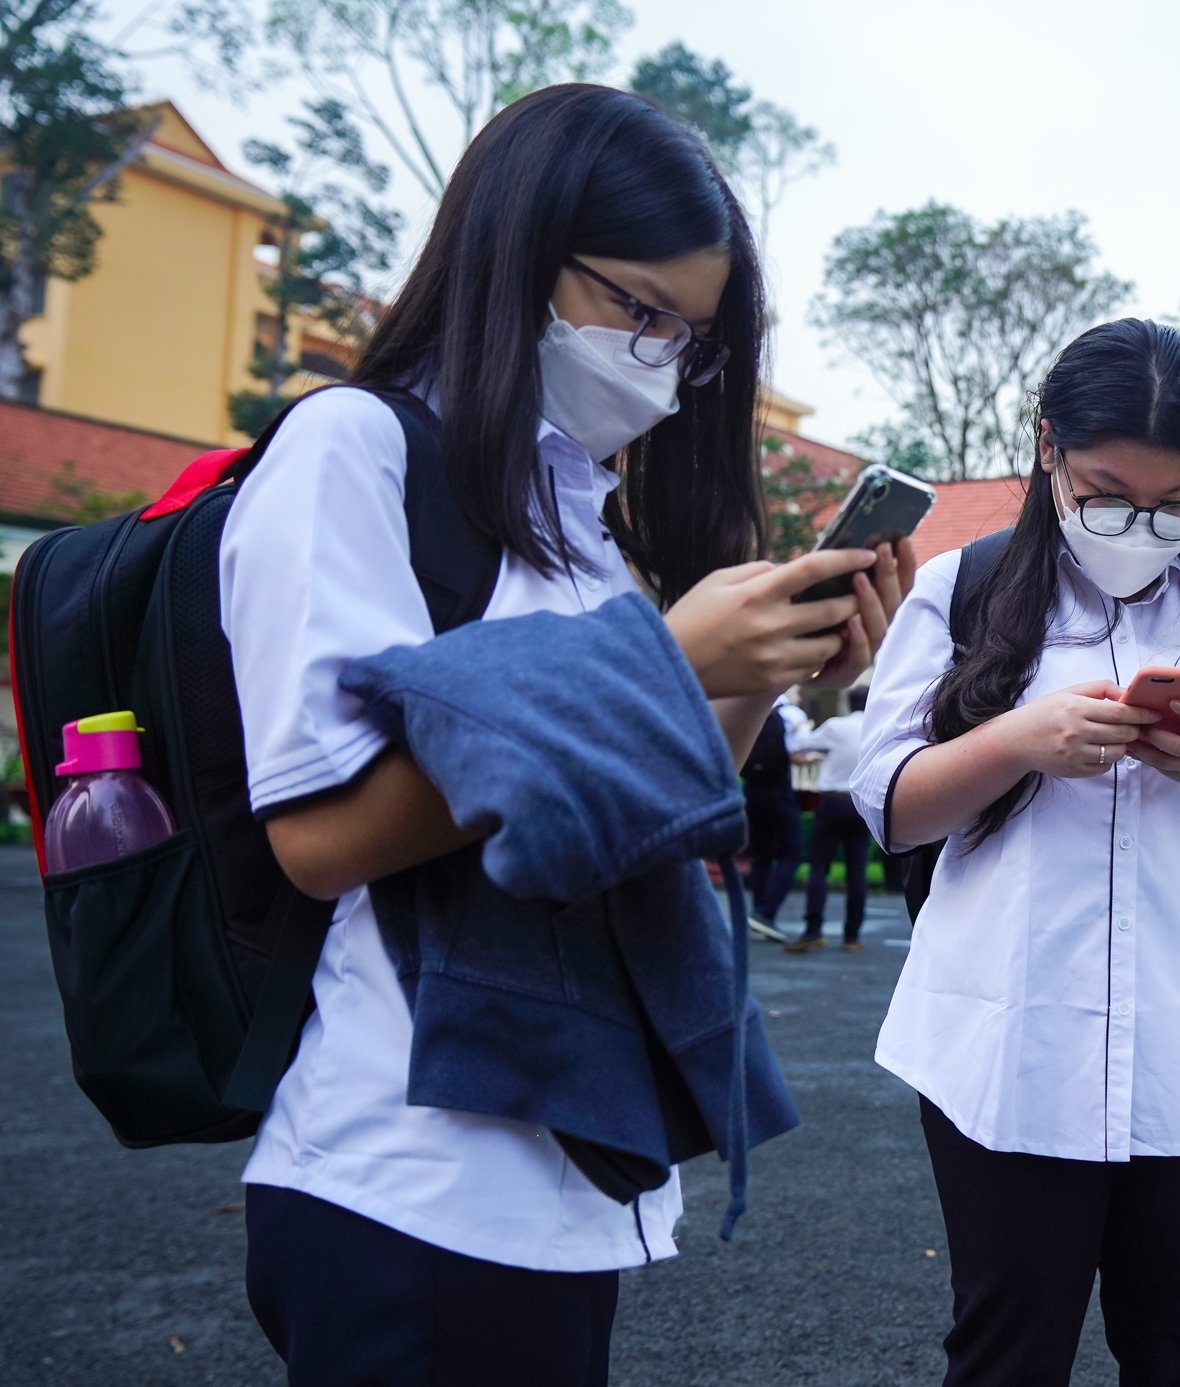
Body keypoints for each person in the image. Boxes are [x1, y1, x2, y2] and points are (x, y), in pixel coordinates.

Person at [218, 84, 912, 1385]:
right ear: (517, 253)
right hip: (408, 1170)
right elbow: (320, 833)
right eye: (638, 309)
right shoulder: (352, 449)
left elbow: (630, 802)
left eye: (690, 337)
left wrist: (758, 675)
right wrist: (664, 658)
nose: (660, 360)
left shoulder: (573, 512)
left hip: (562, 1160)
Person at [854, 319, 1180, 1386]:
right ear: (1049, 449)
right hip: (1007, 1039)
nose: (1141, 527)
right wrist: (1015, 741)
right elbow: (890, 805)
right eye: (1107, 494)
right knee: (1007, 1349)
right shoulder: (963, 589)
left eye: (1177, 504)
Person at [786, 686, 874, 953]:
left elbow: (802, 743)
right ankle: (852, 936)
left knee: (819, 867)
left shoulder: (837, 726)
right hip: (862, 804)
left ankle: (813, 930)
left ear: (848, 702)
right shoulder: (875, 728)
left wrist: (801, 725)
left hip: (832, 802)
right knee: (857, 872)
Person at [743, 702, 804, 941]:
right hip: (778, 791)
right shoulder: (789, 717)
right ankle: (765, 912)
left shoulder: (749, 713)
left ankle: (758, 915)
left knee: (761, 855)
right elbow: (796, 753)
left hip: (752, 791)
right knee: (793, 852)